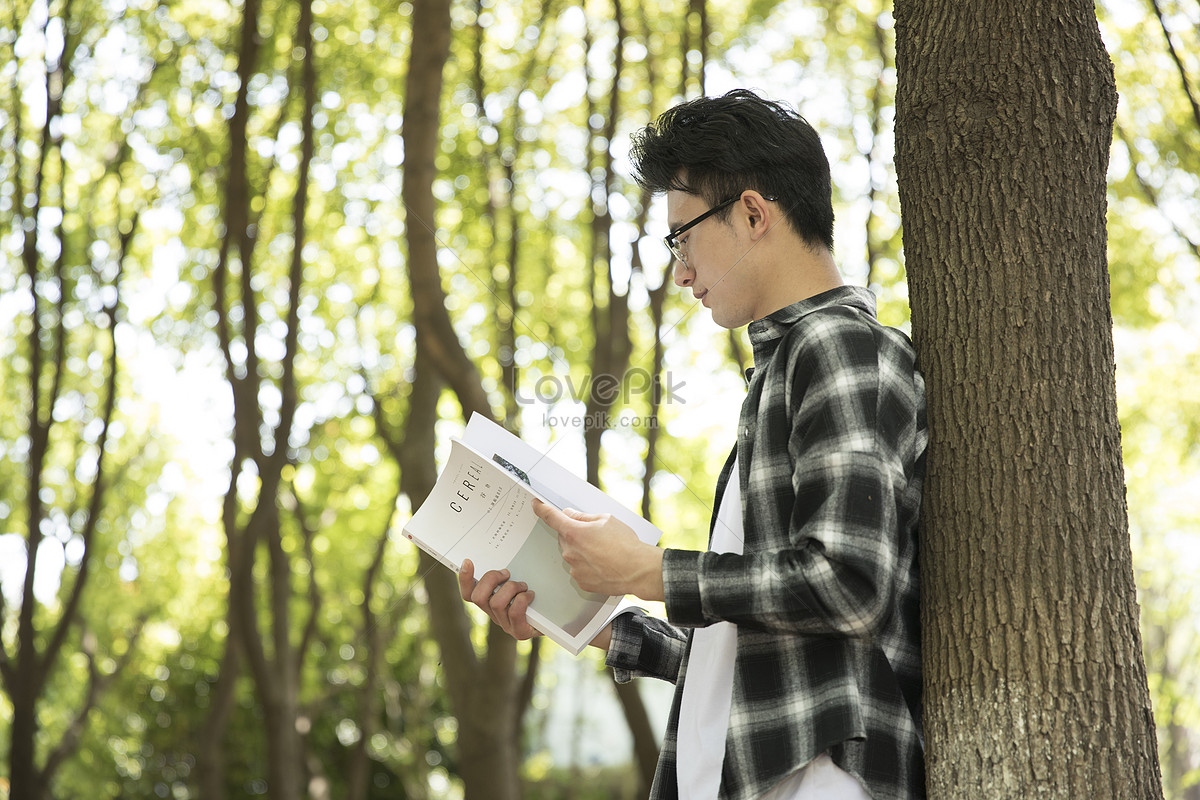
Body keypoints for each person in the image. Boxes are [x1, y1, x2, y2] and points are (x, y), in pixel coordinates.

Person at [459, 89, 927, 800]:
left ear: (751, 213)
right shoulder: (783, 370)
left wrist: (651, 572)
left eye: (682, 237)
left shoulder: (838, 347)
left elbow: (849, 585)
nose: (679, 272)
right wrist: (592, 620)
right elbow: (755, 664)